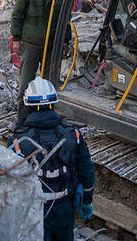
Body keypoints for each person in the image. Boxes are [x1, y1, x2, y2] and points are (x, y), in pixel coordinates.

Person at [9, 78, 96, 241]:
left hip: (34, 210)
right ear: (54, 103)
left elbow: (10, 183)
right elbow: (87, 172)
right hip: (64, 208)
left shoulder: (19, 142)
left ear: (28, 106)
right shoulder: (73, 135)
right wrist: (86, 199)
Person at [10, 0, 62, 130]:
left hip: (51, 46)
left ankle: (48, 117)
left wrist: (65, 42)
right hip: (31, 44)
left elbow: (64, 21)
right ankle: (23, 119)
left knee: (50, 82)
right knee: (26, 81)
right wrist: (16, 39)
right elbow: (17, 15)